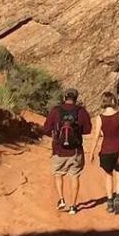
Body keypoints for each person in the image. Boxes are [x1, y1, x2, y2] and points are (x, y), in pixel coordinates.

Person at [42, 88, 92, 216]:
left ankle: (61, 199)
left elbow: (46, 129)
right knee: (74, 176)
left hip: (59, 150)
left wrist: (55, 134)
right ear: (76, 98)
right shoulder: (81, 111)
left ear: (64, 97)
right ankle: (73, 206)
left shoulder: (56, 111)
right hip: (75, 151)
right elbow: (87, 130)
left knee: (58, 174)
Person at [90, 92, 119, 214]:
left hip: (106, 150)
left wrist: (92, 152)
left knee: (108, 176)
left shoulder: (100, 117)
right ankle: (118, 200)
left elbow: (96, 136)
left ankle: (110, 202)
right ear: (113, 101)